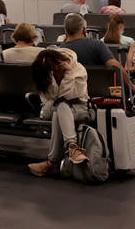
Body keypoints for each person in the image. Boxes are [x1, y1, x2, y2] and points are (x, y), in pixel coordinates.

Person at [28, 48, 90, 176]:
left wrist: (68, 74)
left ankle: (53, 161)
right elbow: (47, 98)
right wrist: (51, 79)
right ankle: (72, 149)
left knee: (59, 108)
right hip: (51, 107)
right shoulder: (45, 73)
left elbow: (67, 96)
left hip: (79, 107)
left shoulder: (78, 69)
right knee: (59, 106)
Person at [60, 13, 135, 94]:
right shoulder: (97, 45)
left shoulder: (61, 51)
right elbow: (116, 66)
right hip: (100, 94)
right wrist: (132, 87)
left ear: (65, 31)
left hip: (71, 93)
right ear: (84, 29)